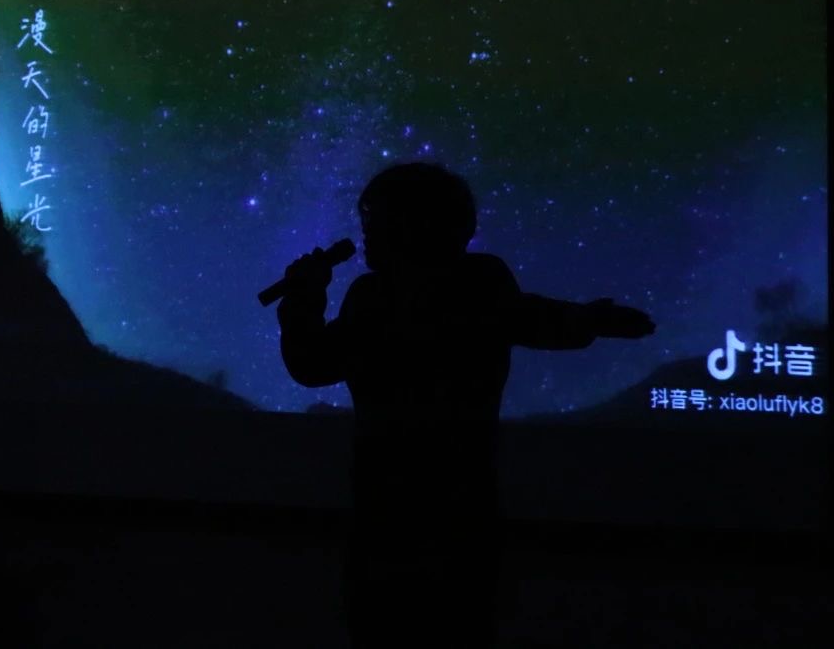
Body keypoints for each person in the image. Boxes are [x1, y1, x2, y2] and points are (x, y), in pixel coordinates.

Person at [275, 162, 655, 647]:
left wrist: (303, 301)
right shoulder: (477, 282)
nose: (366, 232)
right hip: (459, 505)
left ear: (415, 224)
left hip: (389, 509)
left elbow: (311, 363)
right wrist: (589, 319)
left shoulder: (375, 297)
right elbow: (531, 317)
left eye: (376, 220)